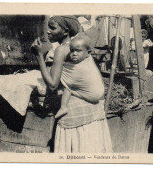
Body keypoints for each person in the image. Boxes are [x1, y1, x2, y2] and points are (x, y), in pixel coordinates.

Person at [31, 15, 112, 153]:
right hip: (94, 110)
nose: (48, 31)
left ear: (65, 31)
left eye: (53, 28)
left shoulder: (61, 50)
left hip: (75, 115)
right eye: (48, 27)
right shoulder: (80, 46)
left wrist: (39, 56)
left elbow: (52, 85)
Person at [55, 33, 104, 119]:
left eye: (78, 51)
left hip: (91, 95)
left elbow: (66, 77)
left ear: (88, 53)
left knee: (67, 88)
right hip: (97, 94)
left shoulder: (83, 67)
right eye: (72, 50)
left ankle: (63, 107)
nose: (74, 54)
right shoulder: (88, 60)